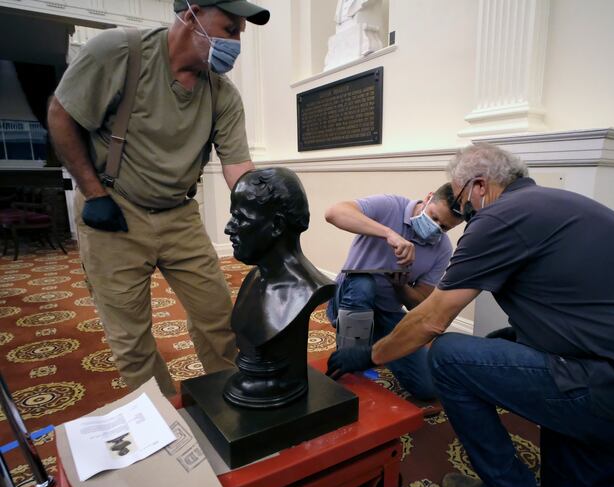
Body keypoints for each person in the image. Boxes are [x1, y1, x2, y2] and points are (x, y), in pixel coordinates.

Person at [353, 143, 614, 487]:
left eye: (461, 197)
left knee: (448, 357)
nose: (463, 211)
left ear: (479, 186)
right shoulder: (563, 204)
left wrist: (371, 355)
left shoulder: (497, 218)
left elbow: (431, 319)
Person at [47, 0, 270, 396]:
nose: (236, 44)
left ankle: (231, 401)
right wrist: (92, 192)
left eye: (239, 35)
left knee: (218, 318)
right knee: (131, 339)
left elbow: (238, 169)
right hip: (114, 210)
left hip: (180, 214)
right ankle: (165, 420)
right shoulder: (118, 52)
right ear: (192, 13)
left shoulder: (223, 95)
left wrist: (268, 211)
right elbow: (61, 116)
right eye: (230, 29)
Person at [324, 183, 463, 401]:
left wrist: (401, 287)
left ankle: (371, 344)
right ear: (428, 198)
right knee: (364, 283)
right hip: (348, 297)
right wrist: (389, 234)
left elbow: (420, 304)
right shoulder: (391, 206)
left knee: (428, 388)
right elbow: (334, 213)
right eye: (434, 218)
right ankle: (349, 362)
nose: (437, 228)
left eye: (444, 227)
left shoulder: (443, 249)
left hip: (387, 312)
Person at [223, 167, 335, 408]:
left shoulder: (307, 290)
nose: (228, 228)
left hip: (282, 390)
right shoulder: (254, 278)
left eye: (240, 217)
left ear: (276, 225)